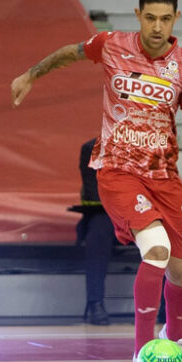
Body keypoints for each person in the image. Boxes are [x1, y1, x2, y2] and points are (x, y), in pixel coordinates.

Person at [11, 0, 182, 362]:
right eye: (150, 18)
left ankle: (176, 338)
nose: (157, 27)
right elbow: (69, 53)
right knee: (155, 249)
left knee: (180, 269)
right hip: (118, 171)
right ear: (138, 15)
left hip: (165, 176)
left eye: (165, 19)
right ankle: (142, 351)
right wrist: (30, 74)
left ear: (176, 17)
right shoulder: (110, 45)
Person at [75, 138, 117, 326]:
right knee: (98, 233)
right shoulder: (91, 148)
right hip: (106, 213)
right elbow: (94, 194)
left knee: (165, 234)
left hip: (138, 211)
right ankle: (95, 303)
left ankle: (168, 308)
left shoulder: (146, 146)